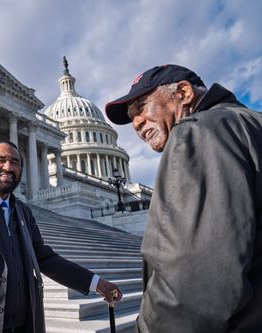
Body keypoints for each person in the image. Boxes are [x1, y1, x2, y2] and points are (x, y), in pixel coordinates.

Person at [105, 64, 262, 332]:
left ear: (184, 93)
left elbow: (195, 285)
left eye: (142, 106)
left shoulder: (198, 132)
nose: (136, 123)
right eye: (132, 118)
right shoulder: (250, 123)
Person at [0, 141, 122, 333]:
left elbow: (46, 259)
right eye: (1, 160)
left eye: (15, 162)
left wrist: (97, 283)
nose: (8, 167)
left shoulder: (23, 211)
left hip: (23, 324)